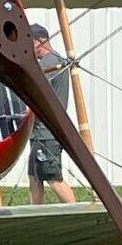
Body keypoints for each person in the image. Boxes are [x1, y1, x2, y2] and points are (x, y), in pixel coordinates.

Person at [24, 25, 78, 205]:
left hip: (47, 133)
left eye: (28, 42)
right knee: (34, 177)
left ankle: (76, 212)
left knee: (53, 178)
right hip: (39, 132)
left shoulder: (48, 65)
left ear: (40, 41)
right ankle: (33, 215)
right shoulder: (56, 61)